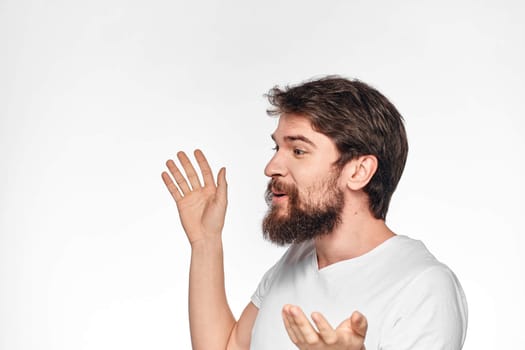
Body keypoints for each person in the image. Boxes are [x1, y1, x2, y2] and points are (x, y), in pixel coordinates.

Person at [161, 76, 468, 350]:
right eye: (276, 149)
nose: (272, 168)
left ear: (359, 171)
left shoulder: (424, 287)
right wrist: (205, 242)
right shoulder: (297, 259)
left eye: (298, 151)